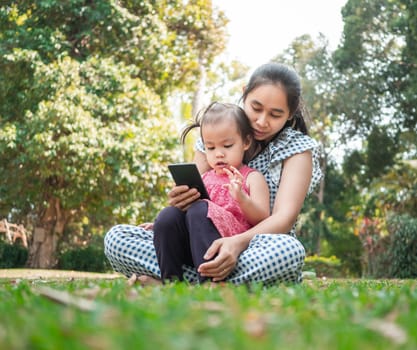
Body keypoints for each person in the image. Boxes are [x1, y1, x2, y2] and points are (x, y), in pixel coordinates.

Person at [104, 62, 322, 286]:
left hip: (255, 247)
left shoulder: (296, 150)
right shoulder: (214, 135)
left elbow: (283, 219)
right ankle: (206, 282)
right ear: (244, 93)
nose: (261, 121)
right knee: (117, 239)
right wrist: (173, 212)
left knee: (288, 252)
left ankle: (176, 283)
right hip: (198, 244)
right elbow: (197, 203)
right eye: (256, 108)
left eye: (275, 114)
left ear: (290, 113)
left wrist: (237, 244)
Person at [153, 102, 270, 283]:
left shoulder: (252, 178)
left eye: (227, 145)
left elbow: (262, 219)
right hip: (194, 245)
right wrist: (159, 224)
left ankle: (211, 282)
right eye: (211, 148)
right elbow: (187, 216)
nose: (219, 154)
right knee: (168, 215)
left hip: (229, 245)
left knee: (201, 209)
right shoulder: (204, 178)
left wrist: (242, 198)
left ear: (246, 142)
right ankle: (171, 282)